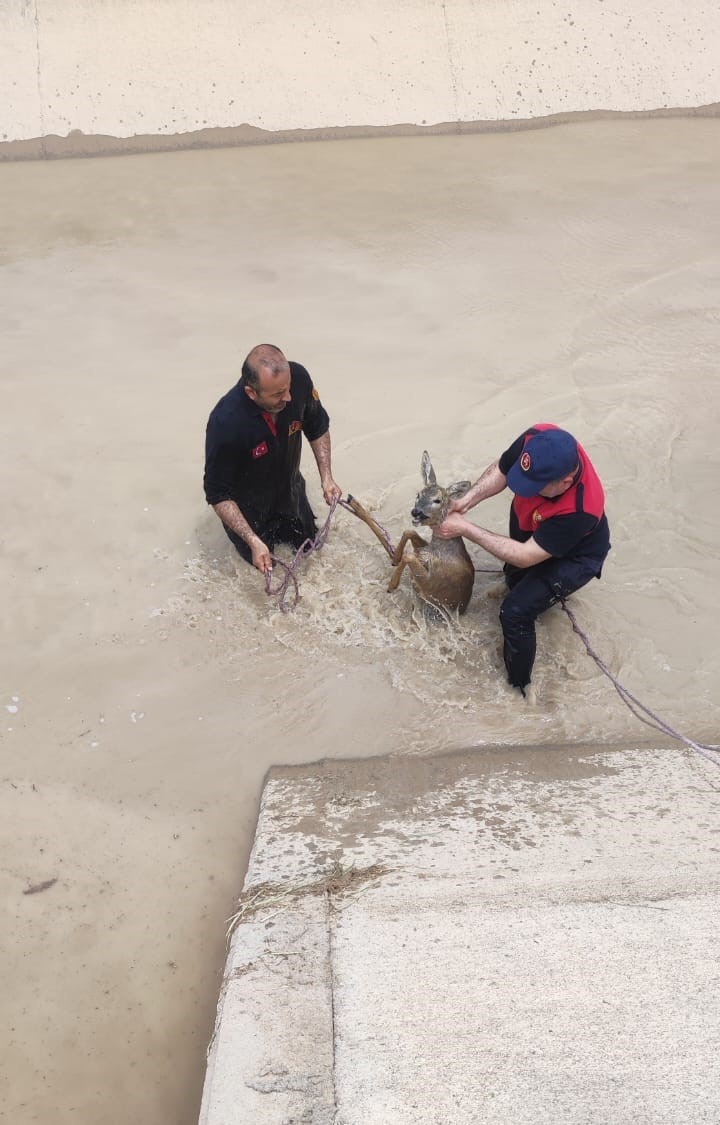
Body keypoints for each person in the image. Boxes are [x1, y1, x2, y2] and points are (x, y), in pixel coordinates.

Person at [436, 423, 610, 696]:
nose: (523, 489)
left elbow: (526, 556)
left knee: (515, 612)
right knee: (514, 578)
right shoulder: (539, 437)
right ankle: (536, 598)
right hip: (537, 524)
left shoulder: (581, 509)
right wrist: (465, 502)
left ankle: (519, 690)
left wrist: (465, 529)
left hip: (576, 557)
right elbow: (503, 469)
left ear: (564, 482)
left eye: (534, 486)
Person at [203, 344, 341, 574]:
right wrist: (252, 540)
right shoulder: (226, 422)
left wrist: (327, 478)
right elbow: (217, 493)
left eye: (287, 388)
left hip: (291, 493)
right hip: (250, 513)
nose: (288, 397)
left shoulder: (298, 380)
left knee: (312, 555)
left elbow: (317, 426)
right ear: (251, 393)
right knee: (265, 576)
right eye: (277, 394)